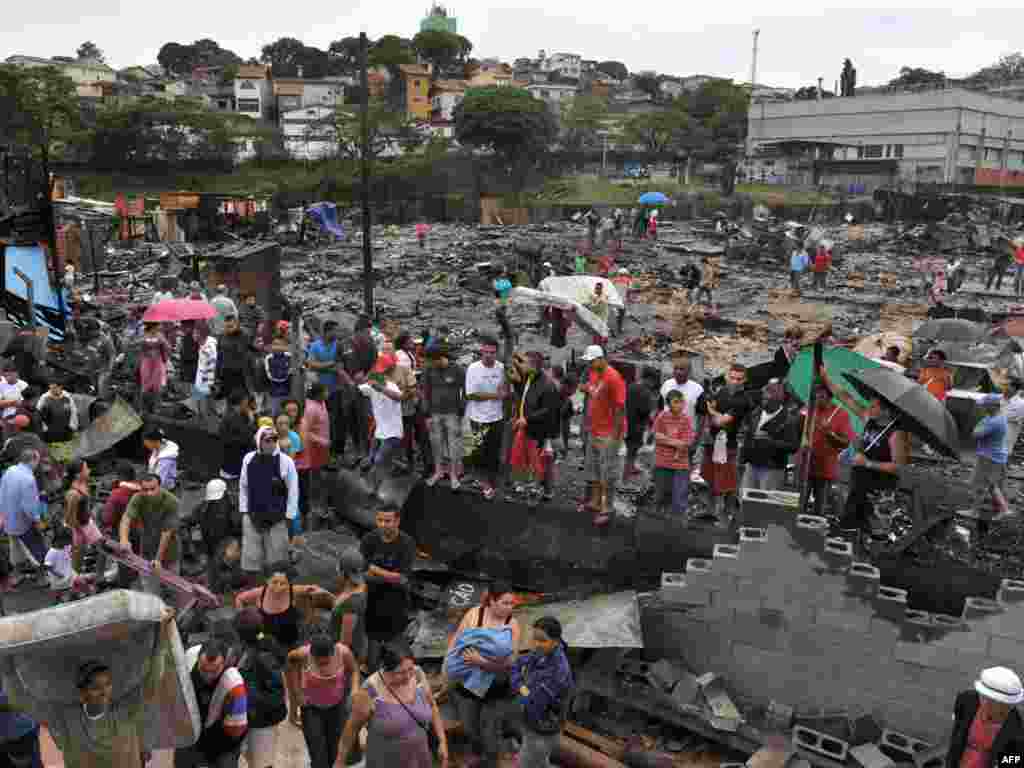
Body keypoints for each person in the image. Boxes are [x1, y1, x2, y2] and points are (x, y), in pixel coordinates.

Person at [12, 607, 176, 768]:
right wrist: (7, 661)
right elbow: (24, 701)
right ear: (83, 693)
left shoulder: (126, 711)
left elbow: (152, 679)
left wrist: (161, 638)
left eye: (107, 684)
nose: (104, 691)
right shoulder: (66, 720)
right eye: (96, 687)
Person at [820, 365, 910, 538]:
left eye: (874, 406)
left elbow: (898, 467)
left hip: (879, 490)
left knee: (874, 531)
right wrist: (826, 379)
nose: (869, 407)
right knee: (850, 525)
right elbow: (845, 398)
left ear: (886, 410)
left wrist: (868, 463)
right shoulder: (870, 419)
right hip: (860, 482)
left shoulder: (897, 433)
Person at [338, 640, 448, 768]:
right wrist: (340, 761)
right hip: (386, 761)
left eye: (410, 669)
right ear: (386, 669)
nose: (407, 676)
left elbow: (432, 706)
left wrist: (442, 741)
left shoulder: (417, 674)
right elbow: (351, 728)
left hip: (419, 757)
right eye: (400, 672)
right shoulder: (370, 691)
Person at [446, 584, 521, 768]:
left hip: (496, 687)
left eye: (512, 604)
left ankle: (491, 760)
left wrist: (482, 662)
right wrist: (447, 671)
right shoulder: (474, 615)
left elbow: (511, 661)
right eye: (505, 603)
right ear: (492, 601)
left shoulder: (512, 624)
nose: (509, 607)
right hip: (467, 684)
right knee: (470, 726)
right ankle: (477, 754)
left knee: (490, 730)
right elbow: (456, 643)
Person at [287, 633, 360, 764]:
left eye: (326, 661)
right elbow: (291, 666)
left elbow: (354, 670)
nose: (323, 665)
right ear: (312, 655)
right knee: (317, 752)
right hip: (311, 708)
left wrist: (354, 689)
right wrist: (298, 692)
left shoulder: (343, 652)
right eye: (319, 663)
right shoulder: (302, 654)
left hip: (337, 706)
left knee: (336, 751)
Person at [512, 617, 574, 768]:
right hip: (532, 724)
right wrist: (521, 686)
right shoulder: (542, 652)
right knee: (539, 760)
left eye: (542, 640)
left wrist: (519, 686)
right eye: (535, 639)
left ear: (556, 641)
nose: (536, 644)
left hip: (543, 731)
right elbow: (518, 664)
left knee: (526, 762)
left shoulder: (558, 671)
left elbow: (532, 702)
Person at [175, 639, 249, 768]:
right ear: (197, 659)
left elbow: (235, 731)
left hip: (224, 737)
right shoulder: (188, 658)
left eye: (214, 671)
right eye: (203, 669)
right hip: (191, 729)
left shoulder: (235, 687)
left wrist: (207, 753)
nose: (208, 676)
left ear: (224, 663)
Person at [239, 426, 299, 580]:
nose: (271, 443)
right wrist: (244, 511)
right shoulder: (249, 459)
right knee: (252, 557)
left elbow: (293, 490)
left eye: (274, 440)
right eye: (267, 441)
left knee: (277, 559)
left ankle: (276, 586)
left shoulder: (285, 462)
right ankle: (255, 585)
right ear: (259, 441)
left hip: (277, 518)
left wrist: (289, 516)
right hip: (253, 515)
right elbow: (243, 485)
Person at [361, 505, 417, 670]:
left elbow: (401, 579)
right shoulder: (369, 540)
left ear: (397, 521)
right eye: (380, 520)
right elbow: (362, 571)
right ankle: (372, 670)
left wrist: (375, 570)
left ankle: (401, 670)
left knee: (395, 639)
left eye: (388, 521)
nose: (383, 524)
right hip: (371, 599)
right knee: (372, 638)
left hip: (396, 601)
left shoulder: (406, 543)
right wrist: (389, 576)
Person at [231, 610, 287, 768]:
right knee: (253, 758)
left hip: (261, 721)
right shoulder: (247, 648)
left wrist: (251, 700)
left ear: (240, 635)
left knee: (262, 763)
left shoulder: (264, 656)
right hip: (248, 717)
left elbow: (276, 695)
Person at [700, 364, 754, 524]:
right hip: (712, 442)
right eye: (732, 377)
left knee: (728, 482)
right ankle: (709, 510)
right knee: (710, 477)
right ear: (726, 377)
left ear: (744, 380)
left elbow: (721, 421)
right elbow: (709, 417)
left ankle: (727, 513)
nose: (735, 381)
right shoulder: (720, 392)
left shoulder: (743, 400)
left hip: (729, 445)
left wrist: (712, 411)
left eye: (739, 379)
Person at [579, 345, 626, 527]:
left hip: (608, 433)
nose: (589, 365)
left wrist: (615, 435)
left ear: (600, 359)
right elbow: (592, 389)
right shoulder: (594, 374)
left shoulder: (614, 378)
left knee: (608, 472)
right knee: (595, 469)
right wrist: (587, 389)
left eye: (592, 361)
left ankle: (607, 507)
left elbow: (620, 408)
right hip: (595, 429)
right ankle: (596, 501)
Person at [945, 666, 1024, 768]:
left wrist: (1003, 762)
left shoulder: (1016, 725)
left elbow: (1015, 758)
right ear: (983, 699)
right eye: (1000, 708)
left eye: (1009, 707)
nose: (1004, 713)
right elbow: (957, 731)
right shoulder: (965, 700)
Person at [120, 472, 181, 596]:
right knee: (150, 589)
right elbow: (126, 519)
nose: (149, 493)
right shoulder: (137, 498)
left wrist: (158, 559)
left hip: (169, 550)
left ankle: (173, 609)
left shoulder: (171, 501)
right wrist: (124, 540)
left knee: (173, 587)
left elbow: (167, 532)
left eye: (153, 489)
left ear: (160, 486)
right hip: (147, 547)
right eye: (145, 490)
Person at [800, 382, 854, 519]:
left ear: (830, 397)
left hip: (825, 469)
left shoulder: (841, 414)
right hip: (805, 465)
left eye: (821, 397)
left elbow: (845, 442)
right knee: (798, 507)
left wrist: (829, 432)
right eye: (815, 396)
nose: (817, 400)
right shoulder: (809, 410)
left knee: (819, 511)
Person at [465, 337, 507, 500]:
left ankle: (491, 481)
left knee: (493, 452)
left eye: (492, 352)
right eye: (486, 352)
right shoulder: (473, 368)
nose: (489, 355)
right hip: (477, 417)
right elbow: (472, 394)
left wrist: (503, 392)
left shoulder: (501, 368)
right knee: (477, 452)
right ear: (481, 351)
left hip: (496, 417)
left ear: (497, 353)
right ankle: (483, 482)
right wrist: (496, 395)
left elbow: (505, 389)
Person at [741, 379, 799, 492]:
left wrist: (770, 442)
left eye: (767, 399)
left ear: (777, 399)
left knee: (766, 504)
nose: (763, 401)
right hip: (751, 465)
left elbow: (793, 447)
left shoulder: (788, 419)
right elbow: (748, 434)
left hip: (772, 468)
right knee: (746, 501)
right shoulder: (756, 413)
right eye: (763, 398)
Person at [422, 340, 466, 489]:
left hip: (452, 414)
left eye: (433, 361)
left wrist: (461, 411)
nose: (431, 364)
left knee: (454, 445)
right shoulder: (428, 370)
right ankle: (438, 471)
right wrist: (426, 414)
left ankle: (453, 475)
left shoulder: (457, 370)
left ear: (441, 358)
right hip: (434, 414)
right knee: (436, 444)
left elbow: (465, 391)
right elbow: (425, 392)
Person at [0, 449, 47, 587]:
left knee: (15, 549)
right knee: (36, 549)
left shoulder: (10, 471)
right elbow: (29, 507)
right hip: (23, 522)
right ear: (32, 460)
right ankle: (41, 577)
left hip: (9, 518)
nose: (38, 464)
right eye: (37, 461)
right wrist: (38, 521)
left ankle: (17, 575)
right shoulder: (28, 479)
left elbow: (2, 493)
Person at [359, 353, 405, 489]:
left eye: (378, 372)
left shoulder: (391, 386)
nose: (375, 374)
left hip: (393, 432)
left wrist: (380, 388)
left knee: (379, 460)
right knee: (371, 459)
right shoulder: (370, 386)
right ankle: (376, 483)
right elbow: (357, 385)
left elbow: (398, 397)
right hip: (379, 431)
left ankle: (374, 489)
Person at [971, 394, 1012, 536]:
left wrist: (978, 425)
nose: (982, 407)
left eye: (985, 405)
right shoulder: (995, 417)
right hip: (995, 456)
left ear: (993, 406)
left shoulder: (994, 421)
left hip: (989, 456)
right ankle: (1004, 510)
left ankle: (974, 511)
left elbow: (975, 434)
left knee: (979, 484)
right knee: (992, 485)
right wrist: (980, 424)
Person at [653, 390, 694, 516]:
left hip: (680, 463)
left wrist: (667, 441)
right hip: (662, 461)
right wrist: (675, 443)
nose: (680, 405)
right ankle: (658, 519)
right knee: (661, 493)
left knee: (679, 494)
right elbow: (656, 435)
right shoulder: (662, 416)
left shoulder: (686, 419)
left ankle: (677, 522)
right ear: (668, 404)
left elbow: (686, 442)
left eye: (682, 402)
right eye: (676, 402)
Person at [61, 458, 104, 581]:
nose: (89, 470)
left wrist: (91, 517)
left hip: (87, 523)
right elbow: (69, 519)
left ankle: (98, 576)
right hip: (77, 528)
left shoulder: (84, 483)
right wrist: (81, 532)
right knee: (77, 561)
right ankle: (73, 587)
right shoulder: (73, 494)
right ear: (78, 474)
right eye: (86, 468)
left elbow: (86, 506)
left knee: (102, 546)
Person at [296, 383, 330, 529]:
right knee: (315, 476)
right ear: (318, 394)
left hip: (322, 447)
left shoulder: (322, 403)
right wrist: (321, 440)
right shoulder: (310, 409)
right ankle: (315, 506)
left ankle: (318, 504)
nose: (327, 393)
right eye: (325, 390)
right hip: (314, 448)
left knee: (319, 475)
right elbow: (305, 431)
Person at [330, 547, 369, 667]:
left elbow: (345, 642)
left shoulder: (352, 603)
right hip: (357, 645)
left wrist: (336, 663)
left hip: (345, 656)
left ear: (343, 572)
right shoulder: (360, 587)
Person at [625, 369, 658, 479]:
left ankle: (630, 468)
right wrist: (651, 426)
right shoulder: (645, 391)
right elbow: (645, 411)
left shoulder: (631, 386)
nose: (653, 385)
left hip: (627, 422)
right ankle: (627, 473)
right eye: (653, 382)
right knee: (632, 450)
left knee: (630, 448)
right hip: (637, 425)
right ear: (649, 379)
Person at [36, 380, 79, 462]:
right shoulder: (44, 398)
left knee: (66, 454)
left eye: (54, 388)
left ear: (60, 387)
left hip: (66, 430)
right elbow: (38, 414)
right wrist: (44, 429)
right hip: (50, 433)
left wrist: (73, 426)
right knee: (53, 455)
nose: (52, 390)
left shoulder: (67, 397)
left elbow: (73, 412)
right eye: (50, 388)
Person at [220, 390, 256, 481]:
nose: (248, 404)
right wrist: (251, 422)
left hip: (229, 463)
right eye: (246, 401)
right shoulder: (233, 418)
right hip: (233, 467)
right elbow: (247, 438)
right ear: (242, 402)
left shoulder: (232, 414)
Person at [137, 322, 170, 414]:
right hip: (149, 362)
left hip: (155, 363)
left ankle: (152, 408)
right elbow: (141, 349)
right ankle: (146, 408)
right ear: (153, 326)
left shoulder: (157, 336)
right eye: (158, 325)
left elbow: (167, 348)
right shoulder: (146, 335)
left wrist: (162, 346)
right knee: (147, 386)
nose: (159, 326)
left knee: (156, 386)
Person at [101, 461, 140, 538]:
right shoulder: (145, 490)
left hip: (126, 533)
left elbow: (107, 518)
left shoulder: (117, 494)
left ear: (119, 476)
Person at [264, 325, 293, 417]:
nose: (278, 347)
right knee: (276, 415)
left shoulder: (289, 356)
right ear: (271, 346)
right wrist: (287, 373)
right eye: (275, 344)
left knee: (288, 415)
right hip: (274, 393)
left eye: (281, 345)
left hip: (289, 392)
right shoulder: (268, 358)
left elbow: (296, 368)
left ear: (285, 346)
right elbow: (272, 376)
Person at [193, 321, 218, 422]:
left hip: (206, 381)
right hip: (201, 380)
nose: (193, 335)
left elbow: (211, 365)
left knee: (205, 408)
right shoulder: (203, 344)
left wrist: (206, 384)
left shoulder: (209, 347)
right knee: (199, 405)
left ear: (201, 334)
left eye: (195, 333)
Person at [143, 426, 179, 492]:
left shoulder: (166, 459)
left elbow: (160, 480)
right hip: (154, 483)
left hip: (165, 490)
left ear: (154, 441)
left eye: (147, 443)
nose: (145, 445)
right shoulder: (158, 447)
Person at [0, 358, 29, 436]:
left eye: (10, 375)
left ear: (16, 373)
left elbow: (26, 402)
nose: (7, 378)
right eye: (5, 376)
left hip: (22, 415)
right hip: (6, 416)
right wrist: (13, 402)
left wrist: (8, 402)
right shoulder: (1, 385)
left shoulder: (23, 385)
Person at [611, 268, 632, 335]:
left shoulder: (614, 280)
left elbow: (610, 289)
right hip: (622, 300)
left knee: (617, 314)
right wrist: (628, 299)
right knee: (621, 315)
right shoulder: (628, 281)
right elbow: (629, 291)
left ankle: (616, 326)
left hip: (615, 300)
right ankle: (619, 328)